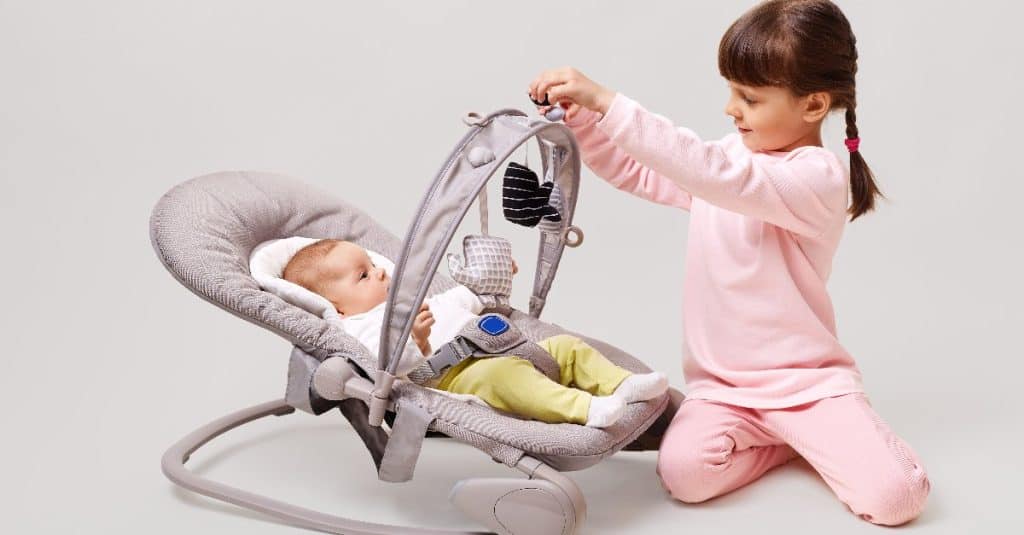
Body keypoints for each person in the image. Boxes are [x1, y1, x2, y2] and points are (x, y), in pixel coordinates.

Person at [527, 0, 928, 524]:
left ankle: (820, 432)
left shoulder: (816, 177)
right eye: (732, 92)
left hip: (805, 387)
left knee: (895, 500)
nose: (730, 109)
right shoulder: (727, 161)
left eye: (750, 98)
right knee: (684, 476)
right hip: (725, 389)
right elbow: (640, 170)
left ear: (813, 106)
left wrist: (609, 100)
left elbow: (714, 175)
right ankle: (786, 445)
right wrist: (584, 120)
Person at [282, 238, 668, 427]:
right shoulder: (360, 327)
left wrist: (489, 284)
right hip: (457, 375)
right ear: (338, 305)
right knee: (505, 377)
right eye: (363, 275)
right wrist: (412, 341)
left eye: (373, 263)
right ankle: (587, 410)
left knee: (565, 348)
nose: (380, 271)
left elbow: (461, 300)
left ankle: (622, 384)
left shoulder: (410, 296)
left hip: (502, 343)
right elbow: (386, 370)